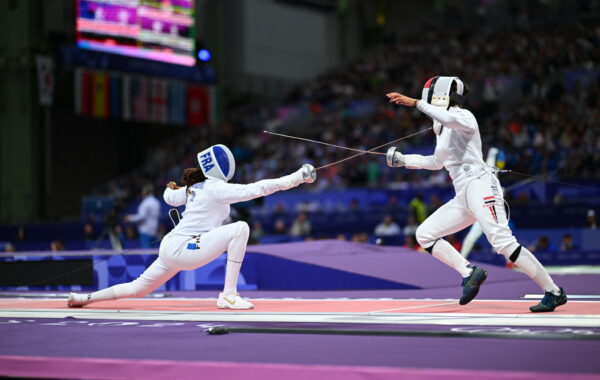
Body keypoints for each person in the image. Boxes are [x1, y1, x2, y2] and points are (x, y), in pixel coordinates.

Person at [386, 76, 567, 312]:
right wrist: (402, 160)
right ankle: (469, 272)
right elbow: (436, 162)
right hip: (463, 194)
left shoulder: (463, 116)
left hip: (480, 185)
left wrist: (415, 103)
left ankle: (554, 292)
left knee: (502, 241)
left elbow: (448, 117)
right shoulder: (441, 128)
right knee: (425, 234)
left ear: (439, 95)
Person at [68, 144, 317, 310]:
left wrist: (170, 187)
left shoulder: (193, 188)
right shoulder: (216, 187)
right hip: (184, 248)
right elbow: (260, 188)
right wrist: (298, 177)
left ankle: (84, 298)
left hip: (172, 246)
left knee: (136, 288)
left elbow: (169, 197)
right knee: (240, 228)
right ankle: (229, 295)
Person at [125, 184, 161, 248]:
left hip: (145, 231)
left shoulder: (145, 202)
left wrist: (129, 218)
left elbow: (141, 216)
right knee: (153, 254)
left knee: (146, 253)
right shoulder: (157, 202)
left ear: (145, 192)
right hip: (154, 230)